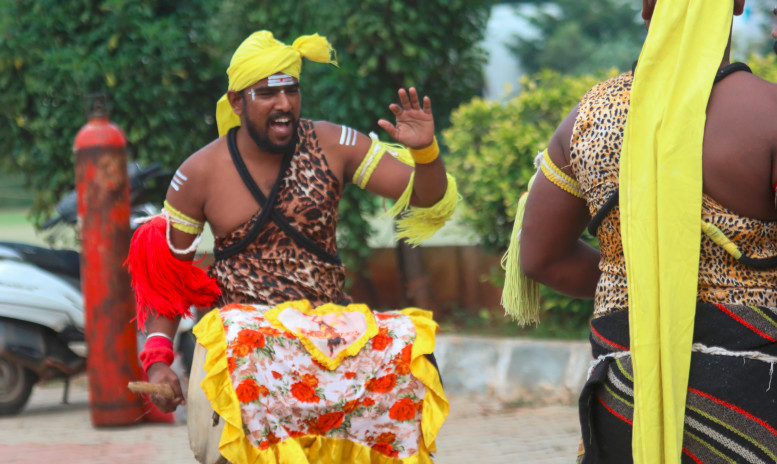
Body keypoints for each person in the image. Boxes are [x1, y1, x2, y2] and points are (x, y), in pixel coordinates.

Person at [126, 30, 456, 463]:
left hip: (328, 337)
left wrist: (426, 153)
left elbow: (425, 196)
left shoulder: (334, 144)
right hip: (248, 348)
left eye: (291, 91)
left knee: (409, 345)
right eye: (266, 94)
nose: (283, 104)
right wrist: (158, 360)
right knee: (245, 346)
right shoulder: (200, 172)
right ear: (238, 101)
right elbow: (165, 281)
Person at [509, 0, 777, 462]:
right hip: (753, 388)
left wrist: (651, 286)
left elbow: (538, 259)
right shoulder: (768, 112)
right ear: (737, 5)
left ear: (645, 7)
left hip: (625, 391)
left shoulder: (587, 119)